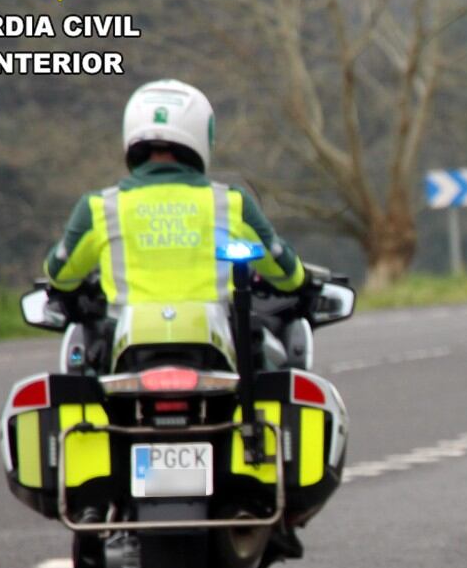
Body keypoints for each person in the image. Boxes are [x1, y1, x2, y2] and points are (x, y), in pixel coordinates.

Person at [45, 79, 307, 370]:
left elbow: (60, 275)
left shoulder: (98, 208)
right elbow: (288, 274)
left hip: (125, 356)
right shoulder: (231, 202)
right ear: (203, 135)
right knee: (273, 378)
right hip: (217, 355)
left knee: (82, 377)